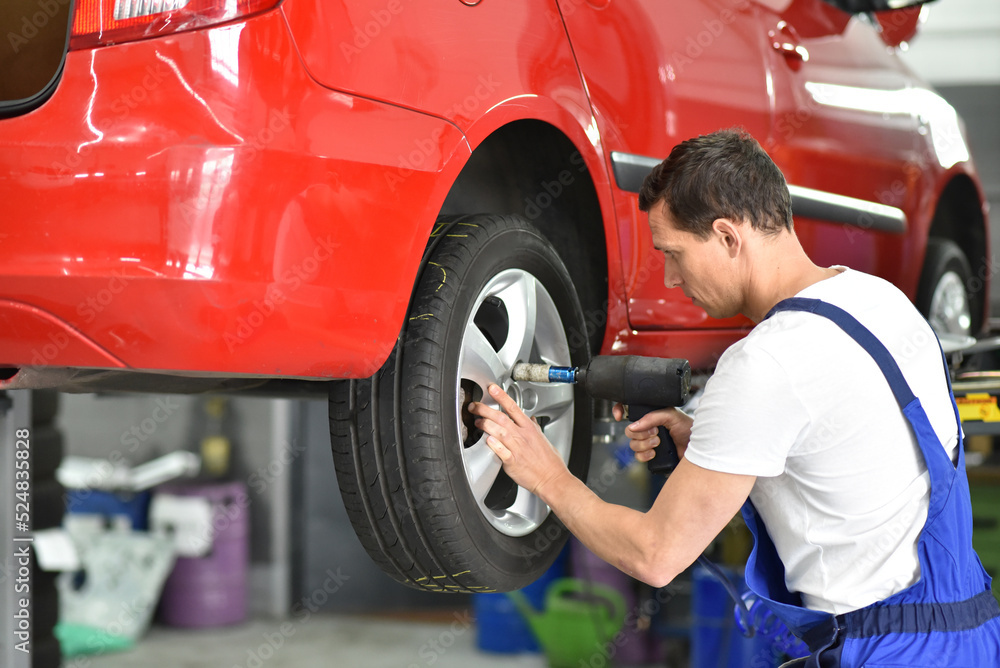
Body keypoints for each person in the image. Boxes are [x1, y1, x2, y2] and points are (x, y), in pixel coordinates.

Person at [468, 128, 1000, 667]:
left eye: (673, 253)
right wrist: (716, 444)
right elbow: (858, 450)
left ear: (727, 235)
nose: (672, 278)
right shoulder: (883, 301)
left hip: (885, 653)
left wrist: (549, 477)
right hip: (971, 635)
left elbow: (656, 555)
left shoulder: (764, 363)